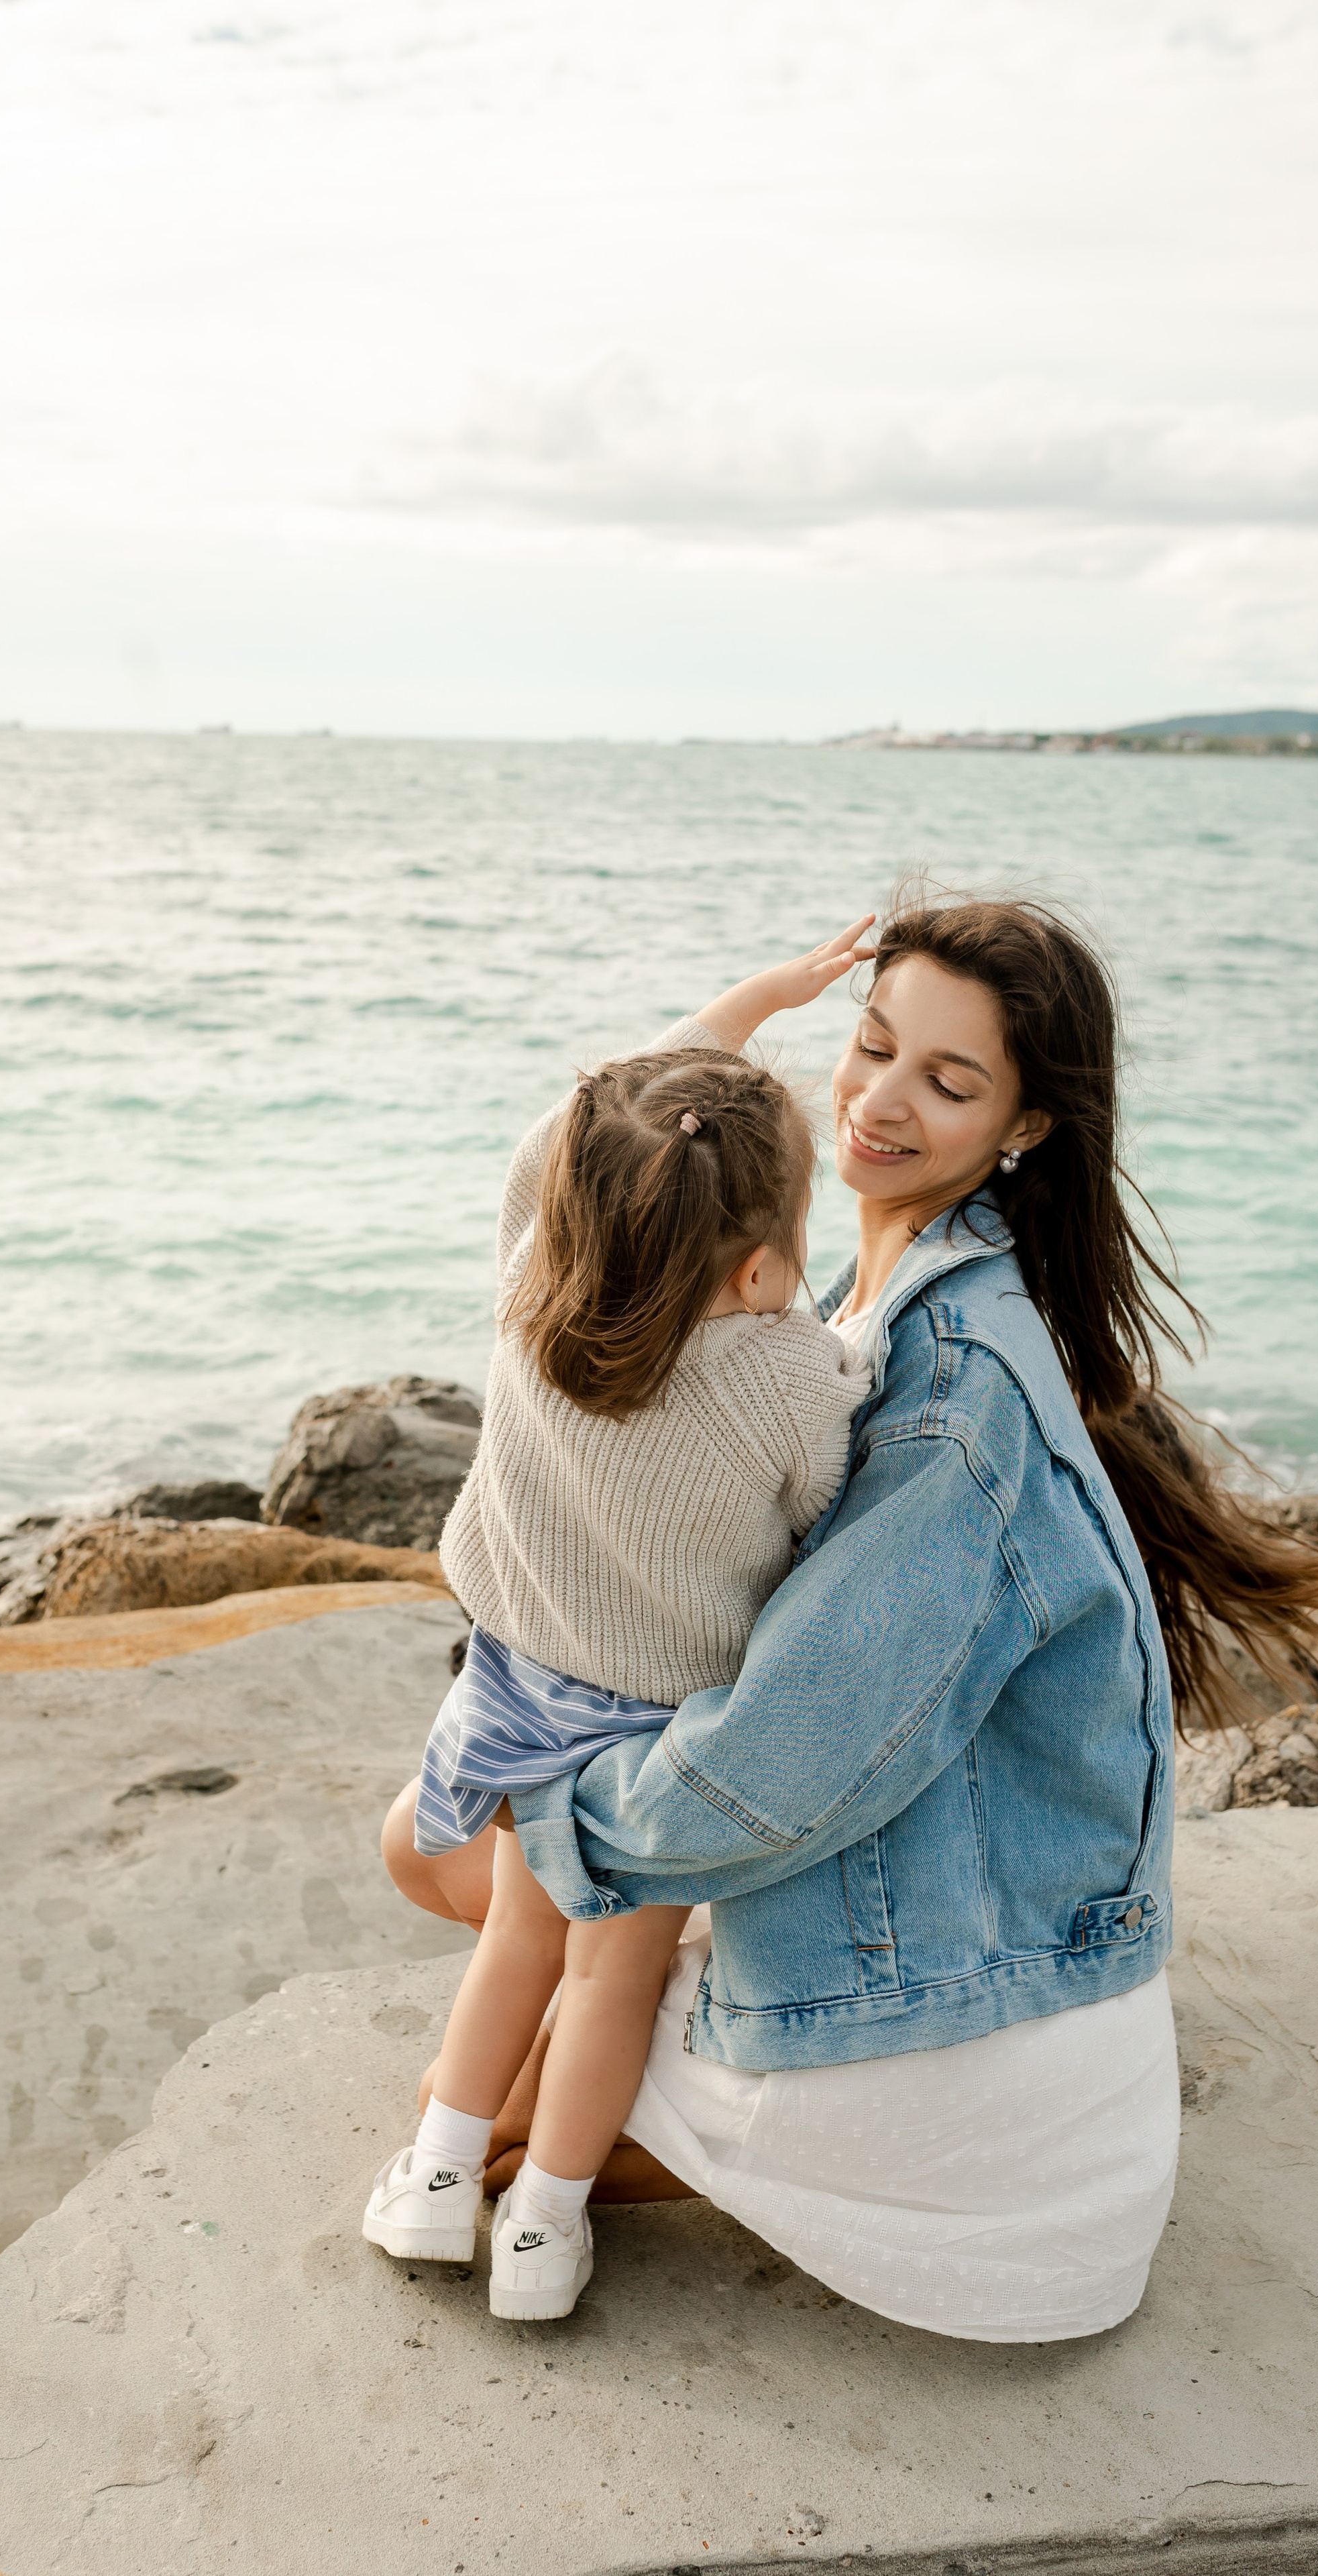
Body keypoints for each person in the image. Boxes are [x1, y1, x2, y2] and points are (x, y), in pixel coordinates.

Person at [388, 888, 1318, 2343]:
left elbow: (778, 1761)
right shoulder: (843, 1299)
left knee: (499, 1880)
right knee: (458, 1862)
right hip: (964, 1972)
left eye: (947, 1080)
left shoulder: (945, 1399)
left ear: (1026, 1125)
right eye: (869, 1047)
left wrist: (558, 1833)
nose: (875, 1102)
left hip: (956, 2087)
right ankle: (614, 2093)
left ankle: (650, 2137)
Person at [362, 926, 875, 2319]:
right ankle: (540, 2231)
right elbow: (824, 1498)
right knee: (606, 1980)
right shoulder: (781, 1368)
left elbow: (580, 1130)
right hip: (647, 1734)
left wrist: (756, 1004)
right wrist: (836, 1337)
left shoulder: (535, 1274)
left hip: (514, 1683)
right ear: (764, 1267)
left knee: (517, 1944)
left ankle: (429, 2179)